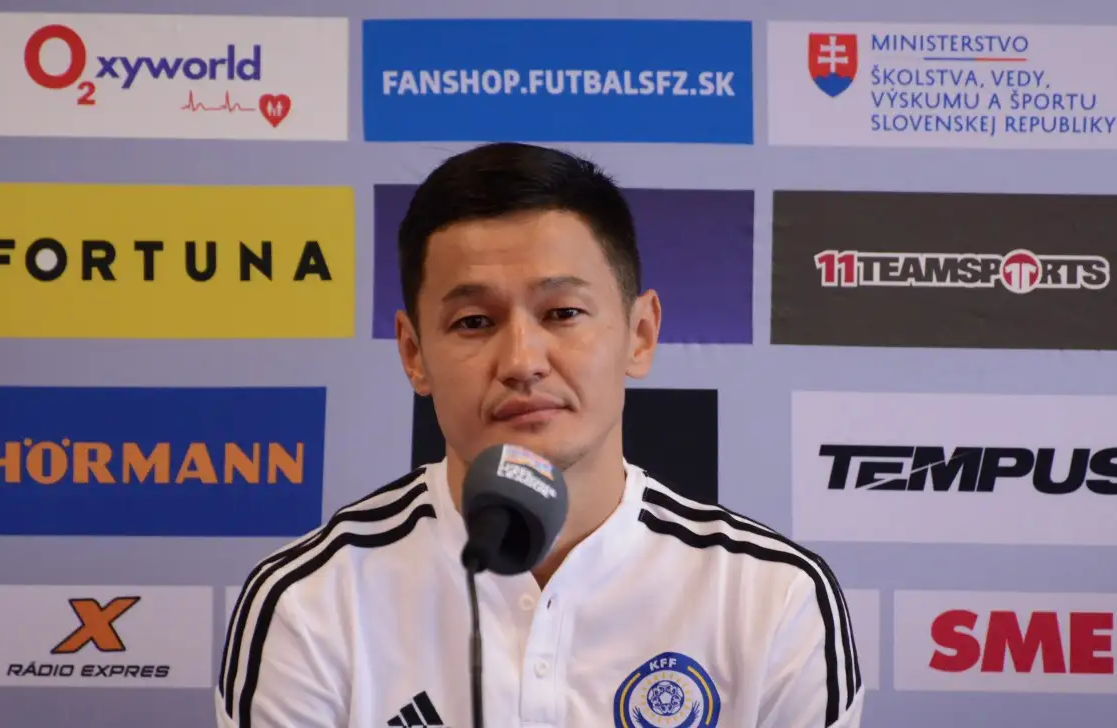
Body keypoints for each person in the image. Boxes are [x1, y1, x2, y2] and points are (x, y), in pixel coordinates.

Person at [216, 142, 864, 728]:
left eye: (563, 312)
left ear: (640, 334)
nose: (522, 360)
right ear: (413, 354)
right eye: (474, 322)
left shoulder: (774, 598)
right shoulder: (310, 602)